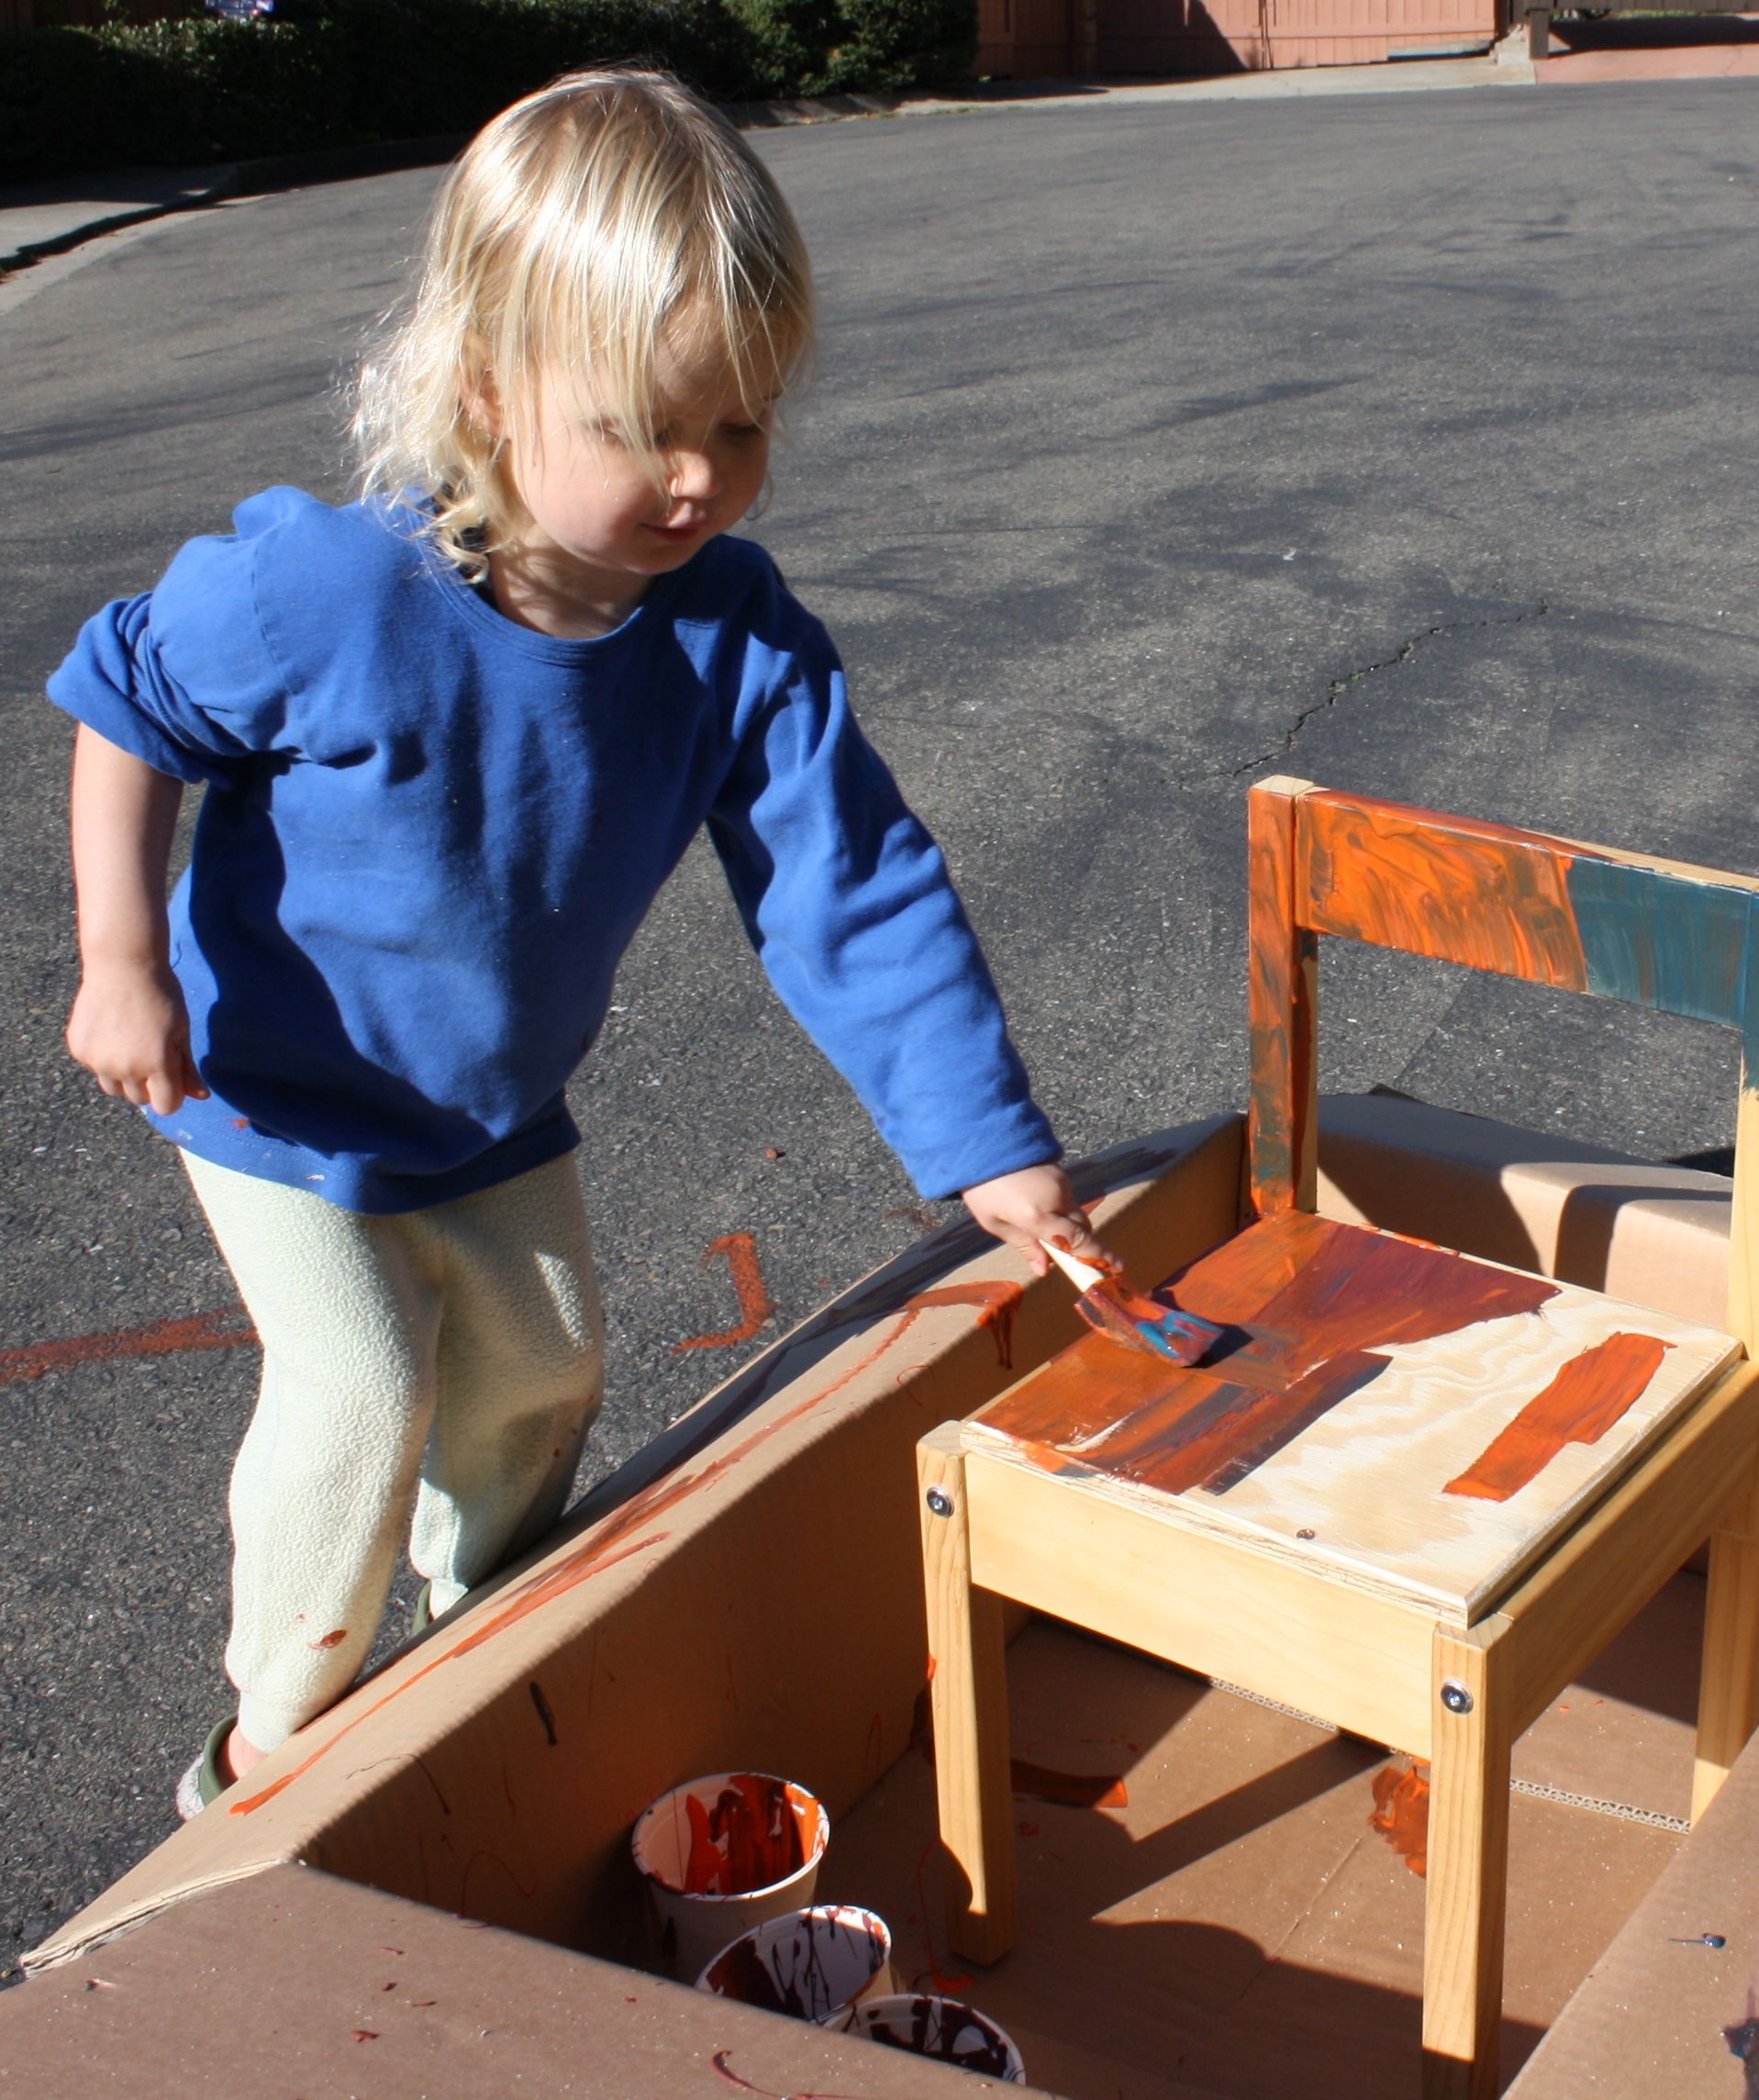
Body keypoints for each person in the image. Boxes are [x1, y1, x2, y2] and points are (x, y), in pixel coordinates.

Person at [50, 68, 1107, 1818]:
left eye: (745, 425)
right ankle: (270, 1755)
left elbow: (845, 877)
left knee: (545, 1369)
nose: (701, 480)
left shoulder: (730, 638)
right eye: (643, 427)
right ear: (487, 387)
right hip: (279, 1096)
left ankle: (485, 1654)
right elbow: (124, 696)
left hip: (488, 1103)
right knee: (364, 1387)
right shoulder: (328, 590)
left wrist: (990, 1150)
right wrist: (118, 954)